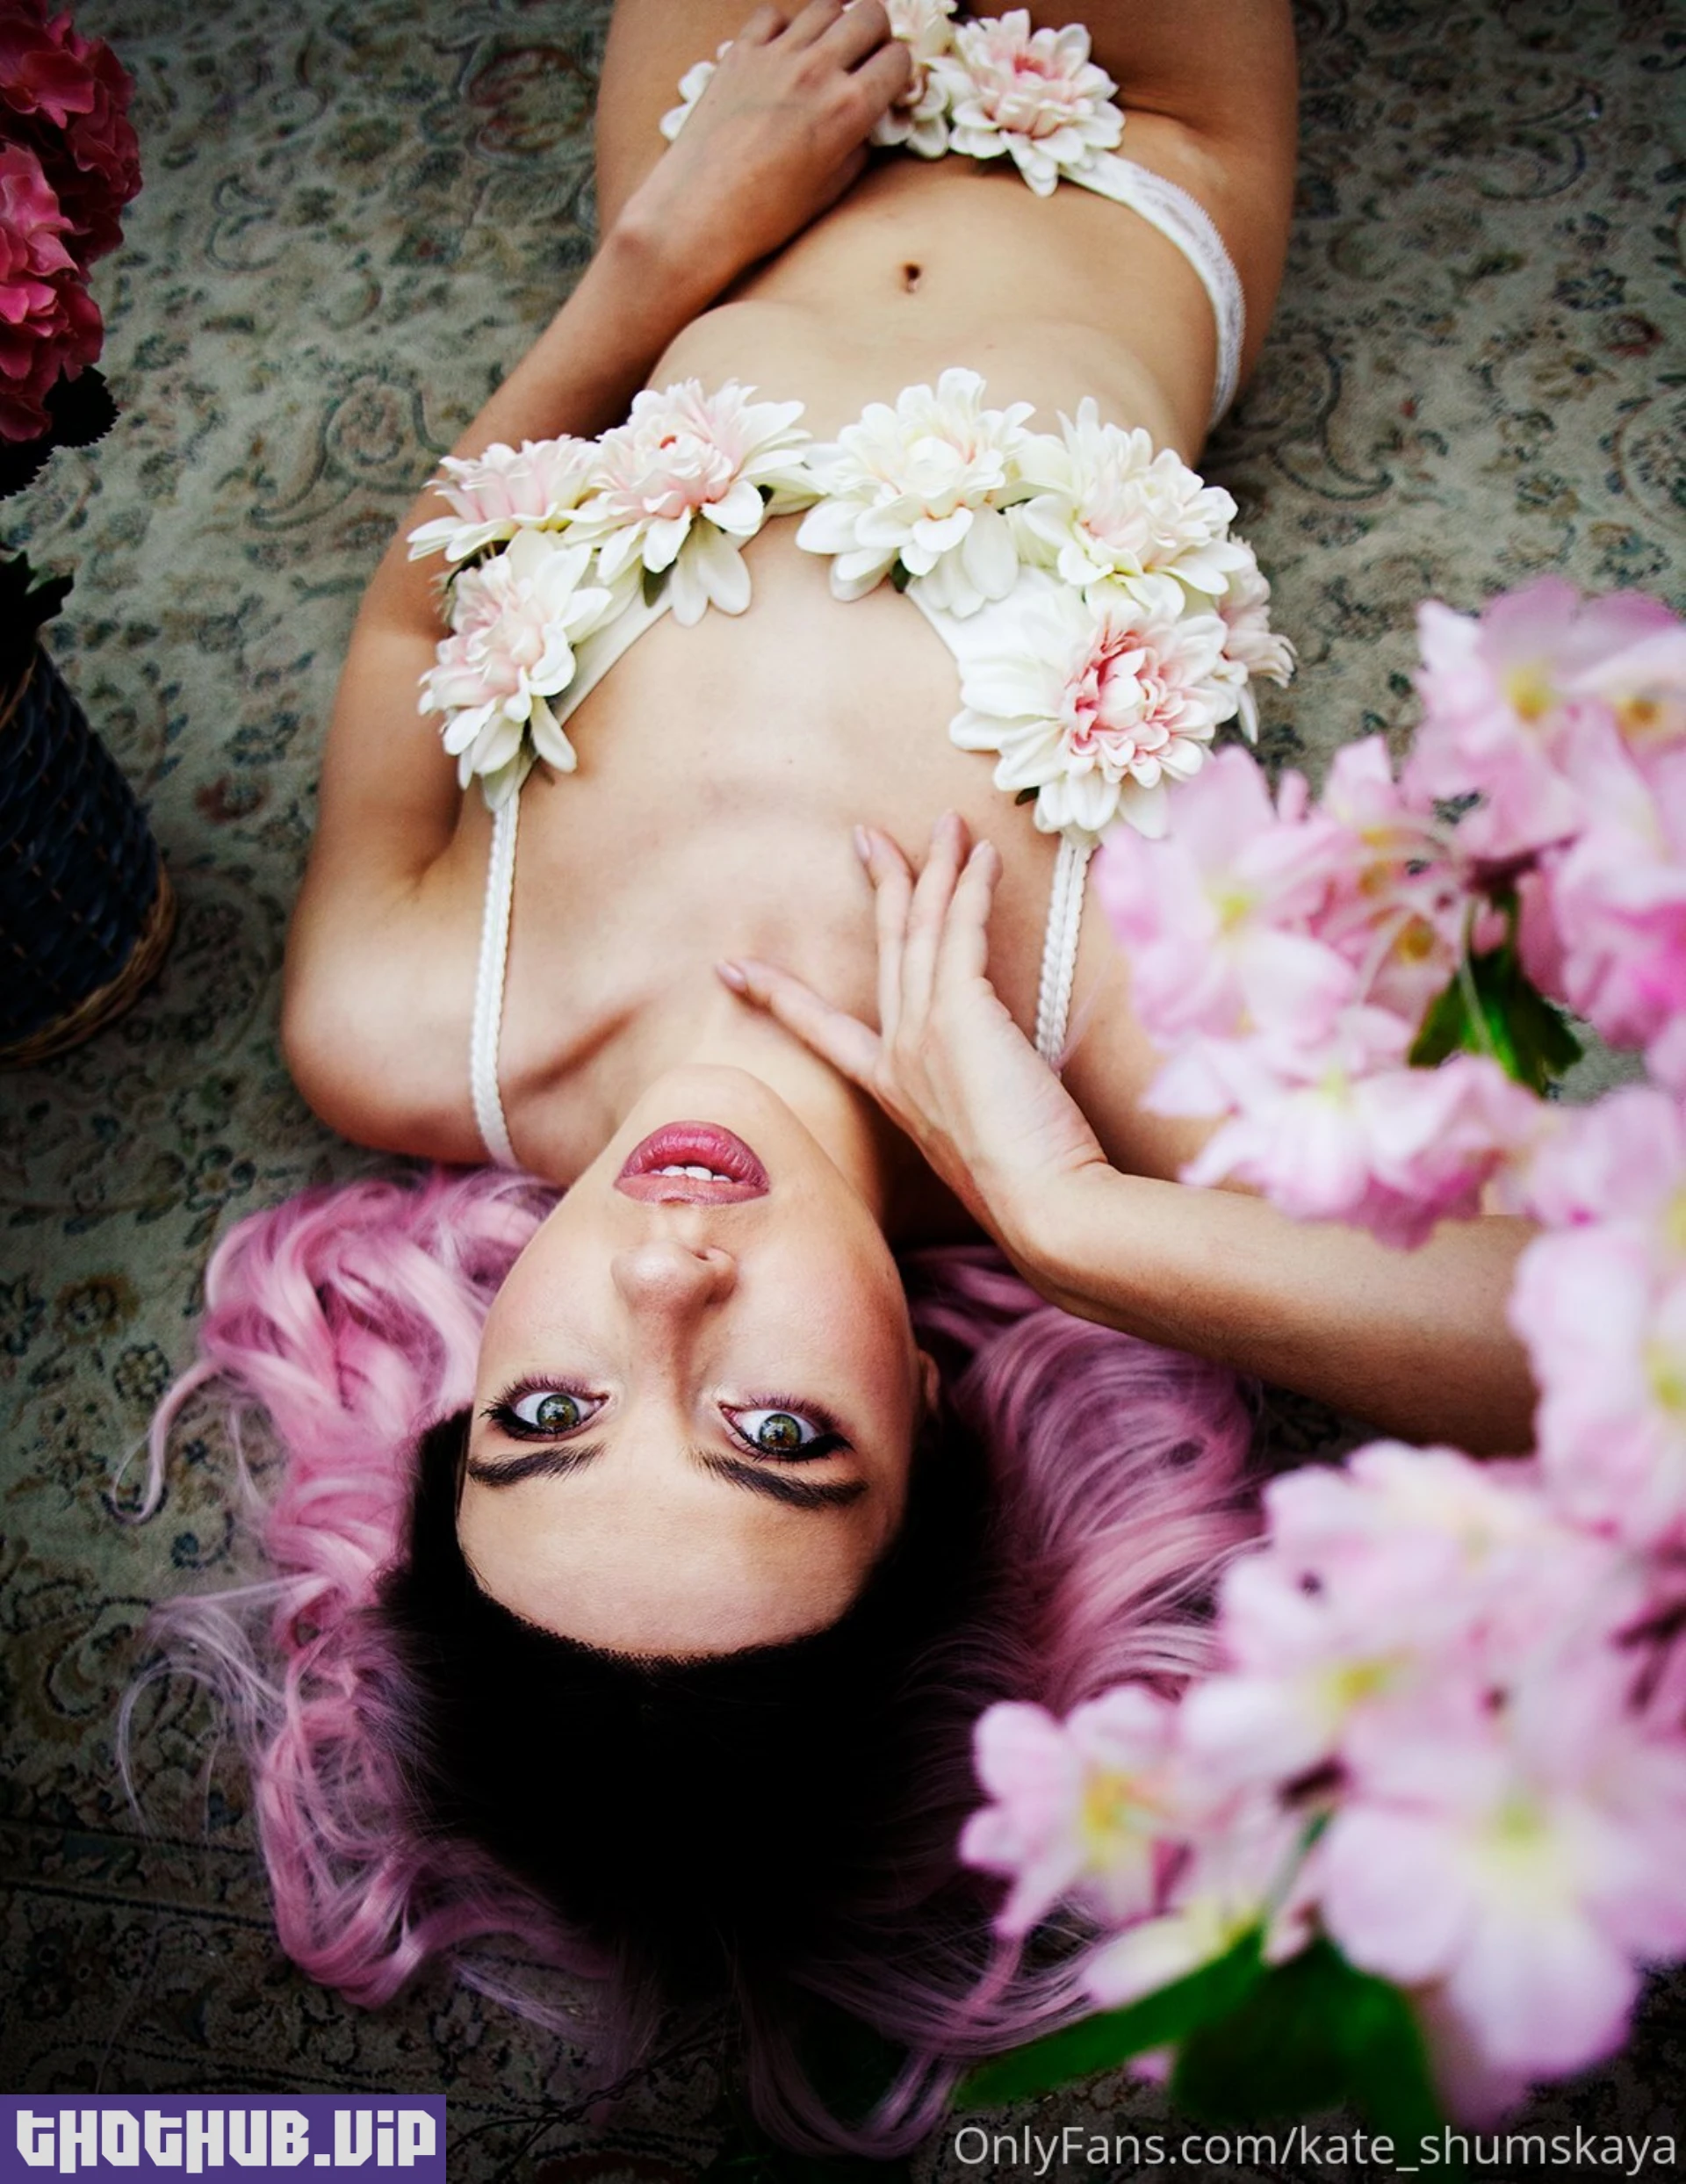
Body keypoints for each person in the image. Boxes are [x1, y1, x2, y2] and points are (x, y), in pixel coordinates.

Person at [146, 0, 1538, 2153]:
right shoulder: (1099, 1042)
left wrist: (655, 256)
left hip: (722, 148)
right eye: (778, 1437)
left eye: (547, 1416)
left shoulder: (411, 1019)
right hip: (1133, 138)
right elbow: (1595, 1340)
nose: (664, 1287)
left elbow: (414, 634)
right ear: (934, 1425)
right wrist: (1074, 1217)